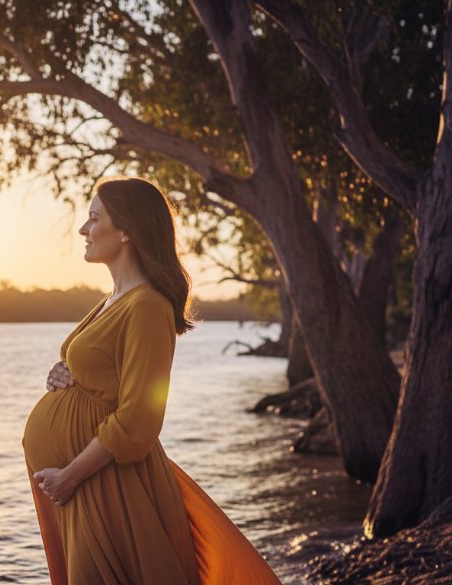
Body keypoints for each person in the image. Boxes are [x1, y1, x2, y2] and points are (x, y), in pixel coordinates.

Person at [21, 177, 281, 584]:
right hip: (84, 483)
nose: (84, 229)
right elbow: (102, 374)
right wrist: (63, 373)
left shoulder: (147, 306)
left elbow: (140, 418)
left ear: (126, 231)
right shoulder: (113, 300)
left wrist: (69, 476)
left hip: (105, 485)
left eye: (94, 219)